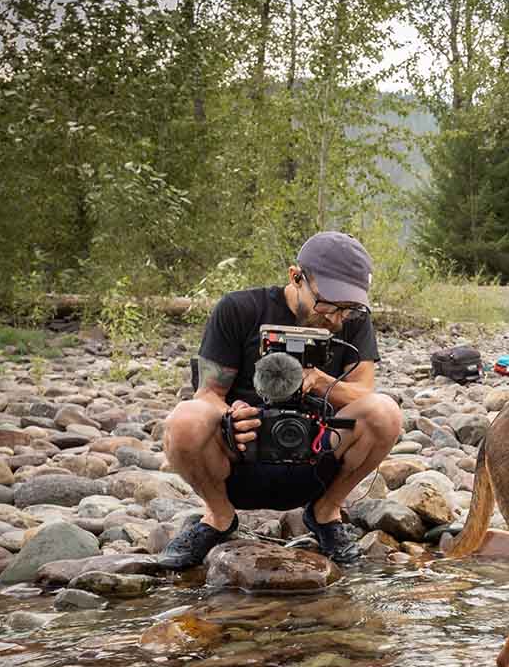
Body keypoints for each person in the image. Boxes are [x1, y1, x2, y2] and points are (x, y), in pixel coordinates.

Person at [158, 231, 403, 568]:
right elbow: (209, 394)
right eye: (327, 303)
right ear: (295, 277)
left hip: (317, 456)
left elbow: (365, 392)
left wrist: (320, 381)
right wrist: (231, 416)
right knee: (184, 420)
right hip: (242, 456)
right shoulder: (239, 309)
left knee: (386, 413)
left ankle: (325, 512)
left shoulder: (353, 320)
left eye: (347, 308)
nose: (335, 317)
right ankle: (218, 516)